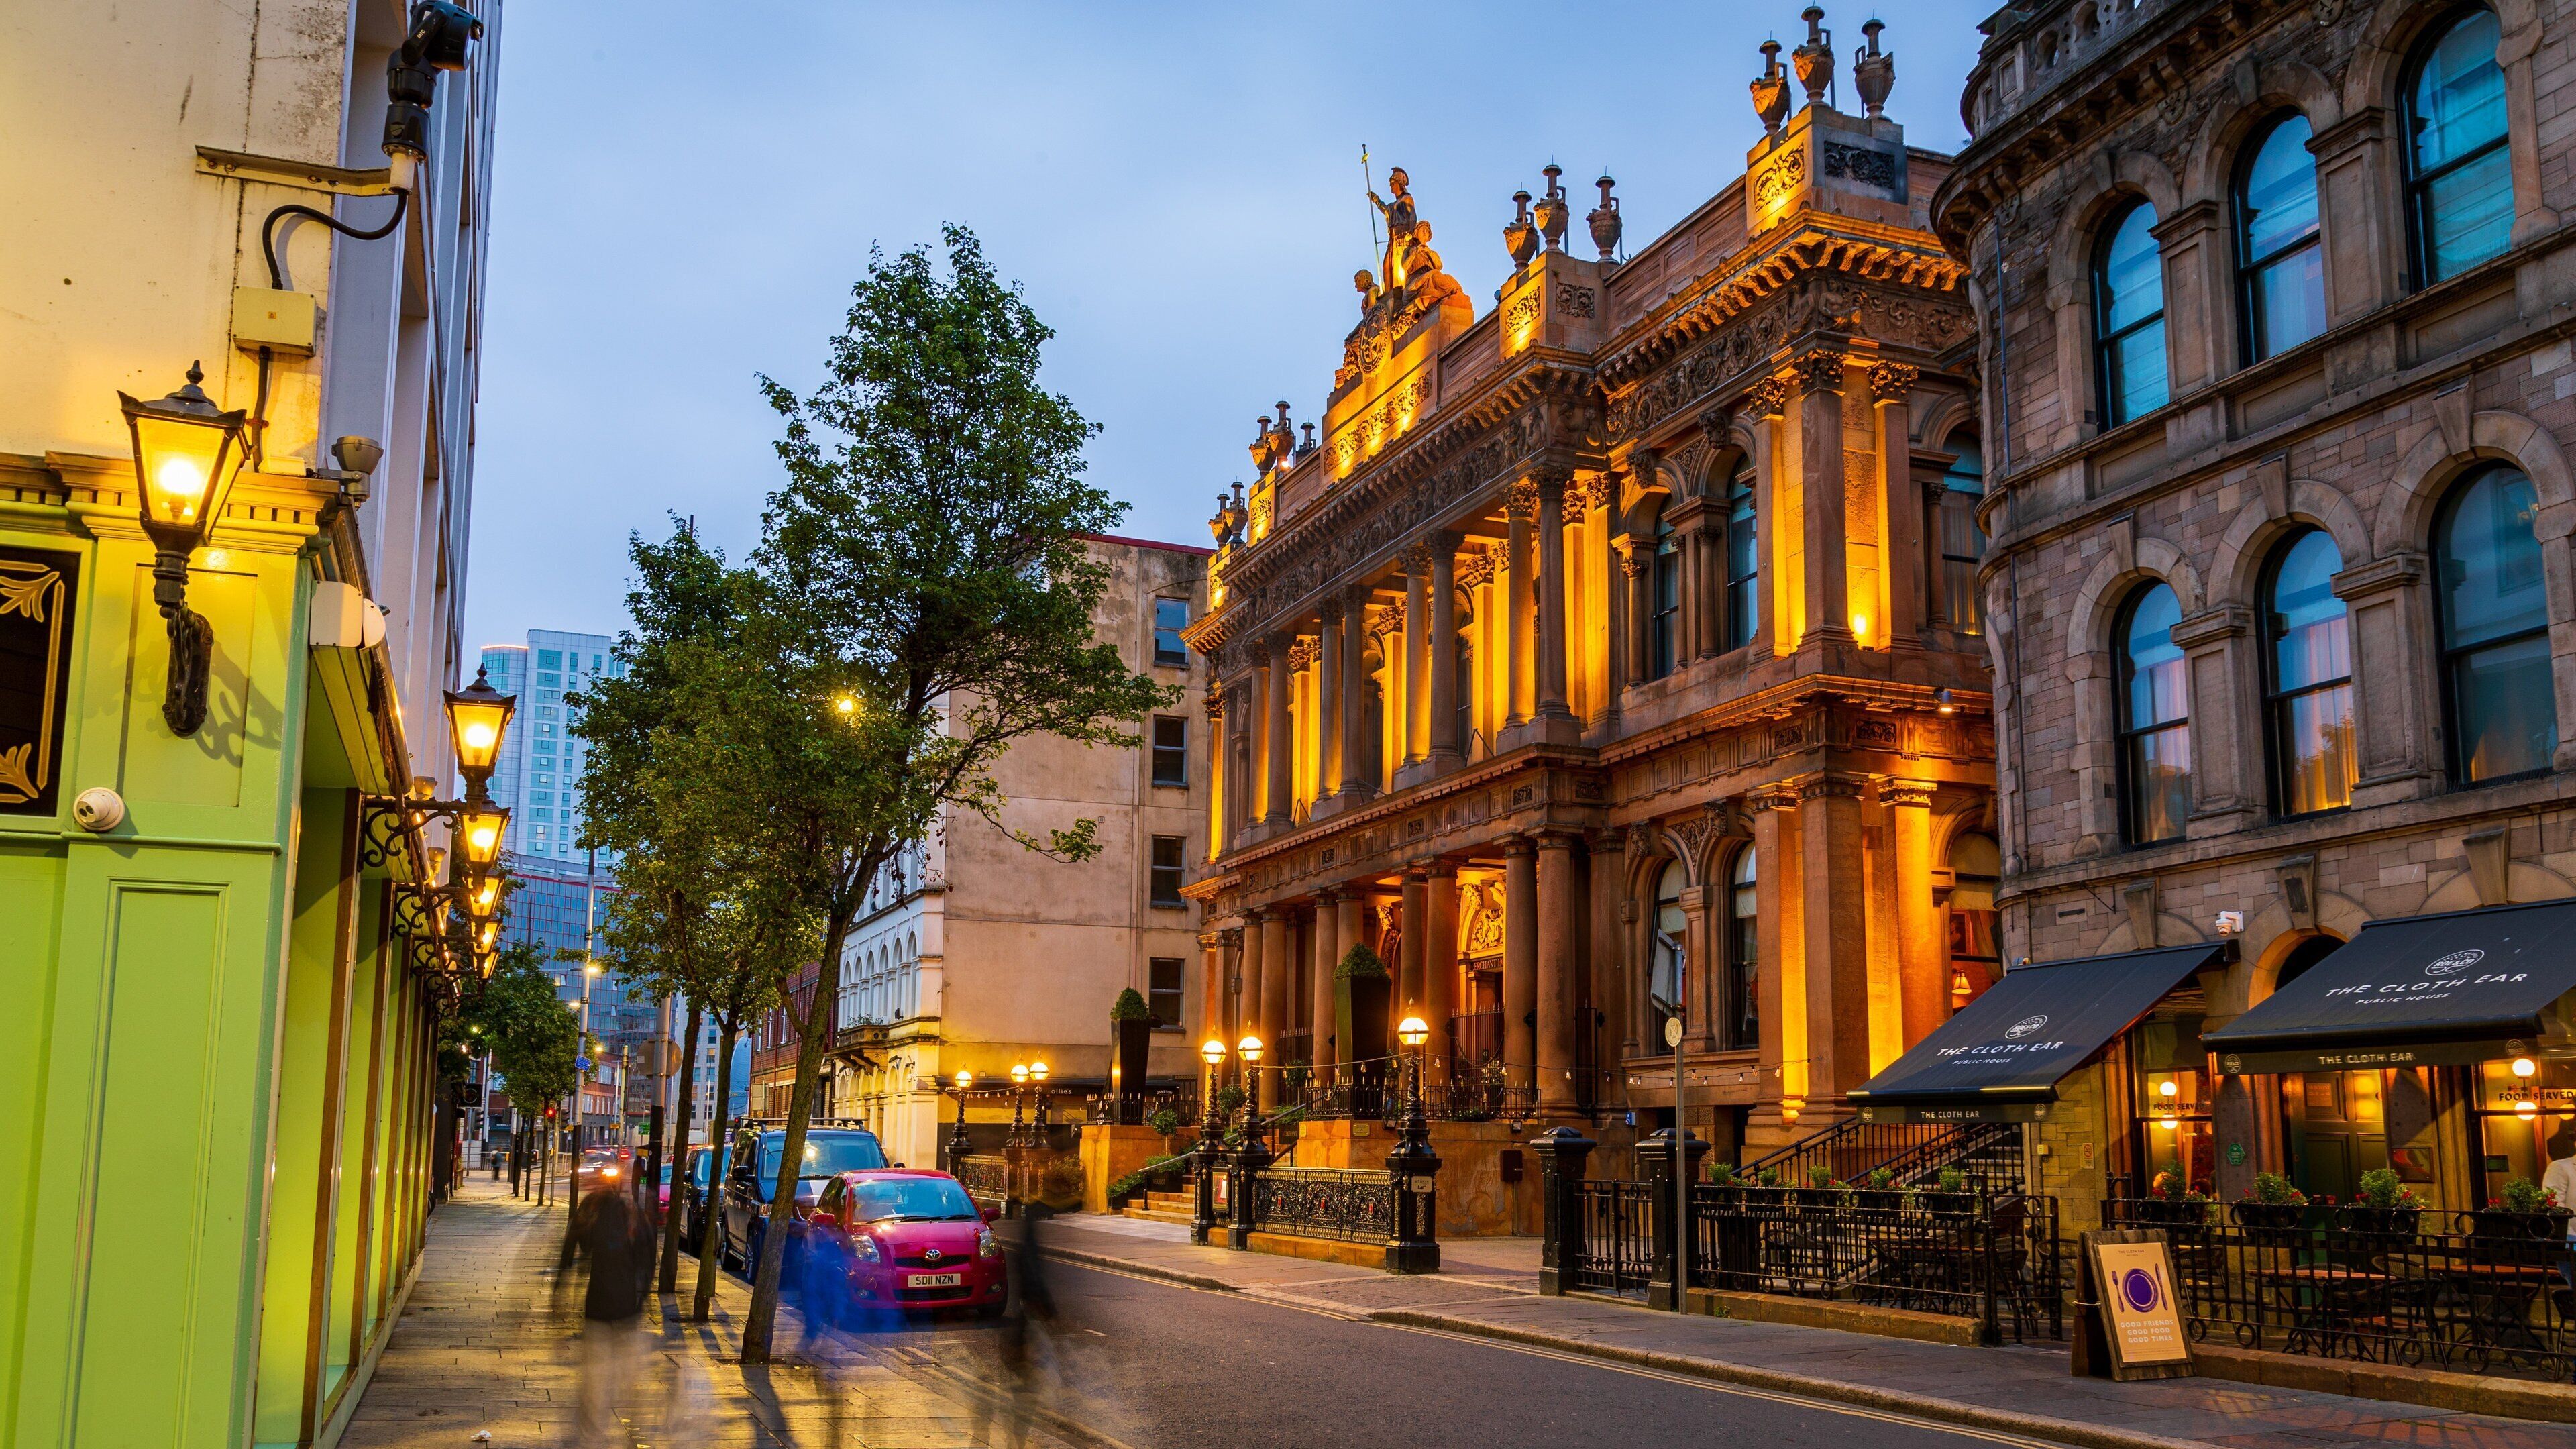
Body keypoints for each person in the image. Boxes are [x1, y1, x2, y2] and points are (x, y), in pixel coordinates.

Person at [558, 1184, 655, 1446]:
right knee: (629, 1381)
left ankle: (591, 1436)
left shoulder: (596, 1217)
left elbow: (578, 1247)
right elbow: (648, 1262)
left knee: (595, 1383)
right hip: (627, 1312)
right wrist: (641, 1299)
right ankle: (635, 1433)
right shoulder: (634, 1218)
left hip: (599, 1309)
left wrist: (561, 1287)